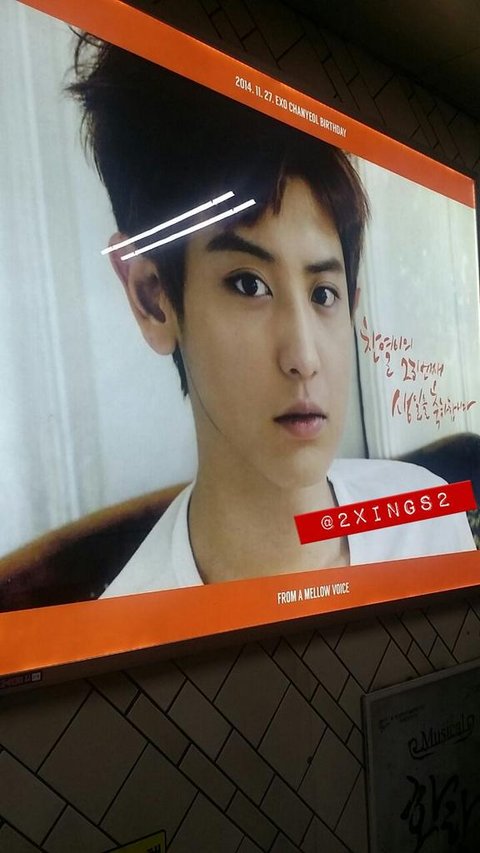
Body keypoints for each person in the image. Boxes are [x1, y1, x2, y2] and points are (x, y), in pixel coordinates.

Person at [67, 36, 475, 597]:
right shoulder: (134, 624)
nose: (304, 358)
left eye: (324, 293)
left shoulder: (426, 515)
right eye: (248, 284)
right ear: (152, 298)